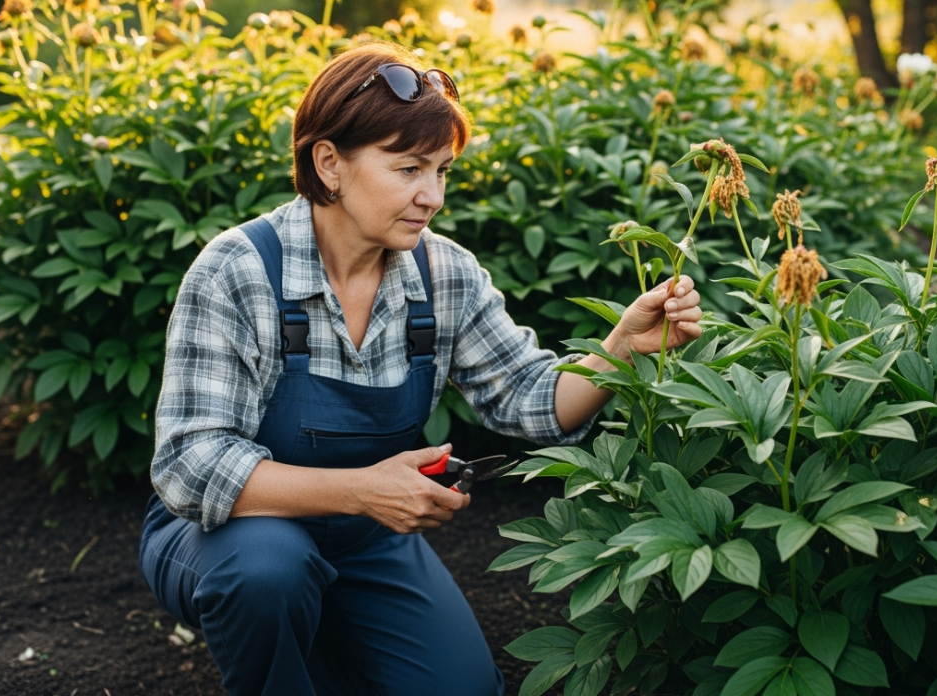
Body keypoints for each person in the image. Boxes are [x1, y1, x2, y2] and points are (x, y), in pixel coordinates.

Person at [138, 42, 703, 696]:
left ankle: (329, 643)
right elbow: (187, 462)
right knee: (270, 574)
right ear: (330, 164)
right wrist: (361, 489)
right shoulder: (237, 271)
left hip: (365, 539)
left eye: (442, 171)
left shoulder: (445, 275)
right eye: (408, 168)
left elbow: (532, 401)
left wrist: (622, 348)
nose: (431, 195)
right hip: (223, 537)